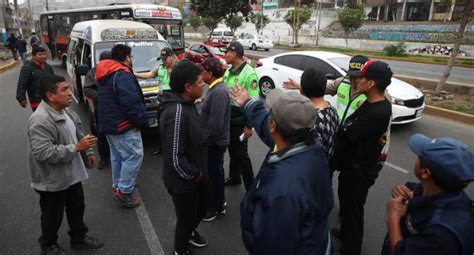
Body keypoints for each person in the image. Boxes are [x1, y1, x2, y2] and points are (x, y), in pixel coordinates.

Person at [230, 87, 333, 255]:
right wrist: (249, 104)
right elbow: (266, 126)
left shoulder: (282, 193)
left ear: (274, 126)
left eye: (271, 113)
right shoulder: (311, 145)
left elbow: (273, 244)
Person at [28, 75, 103, 255]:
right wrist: (76, 148)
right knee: (52, 214)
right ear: (50, 95)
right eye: (64, 90)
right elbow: (43, 152)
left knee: (77, 205)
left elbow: (78, 133)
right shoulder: (40, 120)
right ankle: (48, 245)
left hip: (71, 172)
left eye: (68, 88)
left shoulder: (65, 110)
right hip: (52, 178)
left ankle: (78, 237)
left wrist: (89, 152)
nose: (70, 93)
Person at [332, 60, 393, 255]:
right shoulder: (371, 101)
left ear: (372, 83)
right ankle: (345, 233)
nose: (357, 81)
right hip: (351, 166)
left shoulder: (378, 111)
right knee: (346, 206)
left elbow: (346, 133)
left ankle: (351, 249)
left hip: (360, 170)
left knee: (353, 211)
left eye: (361, 78)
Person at [382, 134, 474, 255]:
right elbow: (416, 190)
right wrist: (404, 191)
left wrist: (392, 217)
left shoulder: (443, 233)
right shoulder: (440, 190)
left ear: (425, 172)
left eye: (419, 156)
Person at [160, 60, 209, 255]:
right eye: (199, 82)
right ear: (187, 87)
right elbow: (174, 158)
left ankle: (189, 232)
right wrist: (194, 175)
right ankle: (180, 249)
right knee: (186, 219)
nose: (204, 83)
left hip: (195, 175)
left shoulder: (186, 104)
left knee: (202, 208)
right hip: (184, 181)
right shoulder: (177, 112)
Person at [95, 44, 148, 208]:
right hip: (122, 124)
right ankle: (124, 191)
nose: (131, 60)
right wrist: (139, 122)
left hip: (109, 123)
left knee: (118, 156)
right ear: (126, 57)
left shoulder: (106, 71)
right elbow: (131, 103)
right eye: (130, 57)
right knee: (134, 155)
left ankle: (119, 184)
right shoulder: (122, 74)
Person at [284, 55, 370, 124]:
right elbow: (319, 88)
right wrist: (302, 87)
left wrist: (367, 109)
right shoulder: (342, 82)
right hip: (338, 131)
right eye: (351, 75)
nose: (353, 80)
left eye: (358, 77)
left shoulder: (374, 93)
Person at [222, 41, 259, 191]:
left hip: (241, 118)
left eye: (227, 52)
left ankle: (251, 188)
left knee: (242, 154)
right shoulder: (229, 71)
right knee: (232, 149)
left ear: (234, 53)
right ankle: (235, 176)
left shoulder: (249, 73)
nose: (225, 55)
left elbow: (254, 102)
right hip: (229, 116)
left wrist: (249, 126)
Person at [199, 57, 231, 222]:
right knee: (214, 173)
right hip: (213, 141)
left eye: (202, 71)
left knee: (214, 175)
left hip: (214, 143)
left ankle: (217, 207)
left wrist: (203, 140)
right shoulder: (214, 88)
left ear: (210, 73)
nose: (200, 74)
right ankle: (217, 203)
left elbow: (216, 125)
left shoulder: (218, 92)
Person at [135, 47, 177, 156]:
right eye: (162, 59)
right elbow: (148, 75)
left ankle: (174, 149)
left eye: (165, 58)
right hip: (162, 102)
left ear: (172, 57)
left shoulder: (180, 69)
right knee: (161, 126)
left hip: (175, 102)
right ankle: (162, 148)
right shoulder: (160, 68)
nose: (163, 61)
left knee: (174, 127)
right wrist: (134, 74)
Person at [300, 68, 339, 158]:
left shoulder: (309, 120)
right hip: (327, 165)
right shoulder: (333, 111)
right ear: (325, 87)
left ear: (301, 90)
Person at [83, 50, 111, 170]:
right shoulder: (93, 72)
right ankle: (104, 158)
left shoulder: (118, 70)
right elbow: (87, 89)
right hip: (102, 108)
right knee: (102, 133)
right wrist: (101, 95)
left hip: (117, 108)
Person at [16, 46, 55, 111]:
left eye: (44, 54)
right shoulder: (27, 68)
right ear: (33, 56)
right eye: (40, 54)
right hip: (37, 100)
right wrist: (21, 98)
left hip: (50, 99)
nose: (43, 56)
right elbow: (22, 84)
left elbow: (54, 81)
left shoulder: (48, 67)